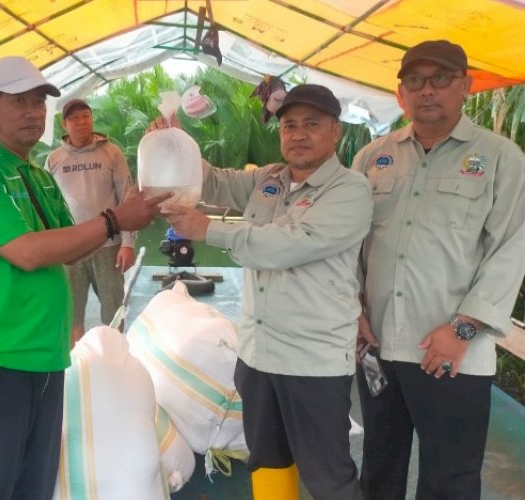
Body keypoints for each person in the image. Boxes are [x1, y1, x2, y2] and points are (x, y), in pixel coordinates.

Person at [0, 56, 169, 500]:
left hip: (46, 355)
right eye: (18, 102)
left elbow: (72, 244)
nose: (32, 112)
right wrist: (113, 220)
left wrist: (132, 209)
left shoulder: (38, 175)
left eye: (39, 103)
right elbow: (26, 253)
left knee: (34, 482)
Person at [160, 84, 371, 499]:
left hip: (313, 362)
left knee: (327, 472)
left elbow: (288, 244)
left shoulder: (350, 190)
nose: (298, 134)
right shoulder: (269, 179)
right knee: (267, 458)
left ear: (335, 133)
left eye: (312, 124)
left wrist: (209, 230)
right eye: (289, 125)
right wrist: (175, 141)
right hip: (256, 355)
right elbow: (215, 183)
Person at [352, 39, 525, 499]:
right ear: (401, 93)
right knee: (379, 468)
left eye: (440, 79)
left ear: (465, 86)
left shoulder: (501, 159)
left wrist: (462, 329)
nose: (427, 90)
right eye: (415, 80)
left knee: (450, 479)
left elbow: (513, 247)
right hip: (379, 346)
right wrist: (354, 309)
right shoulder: (371, 158)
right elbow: (349, 246)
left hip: (453, 355)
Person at [45, 98, 136, 342]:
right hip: (70, 248)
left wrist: (128, 244)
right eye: (75, 119)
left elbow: (126, 198)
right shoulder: (53, 160)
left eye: (86, 116)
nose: (82, 122)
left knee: (113, 311)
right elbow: (48, 207)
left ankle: (114, 359)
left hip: (108, 246)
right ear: (65, 125)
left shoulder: (111, 153)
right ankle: (76, 367)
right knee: (71, 313)